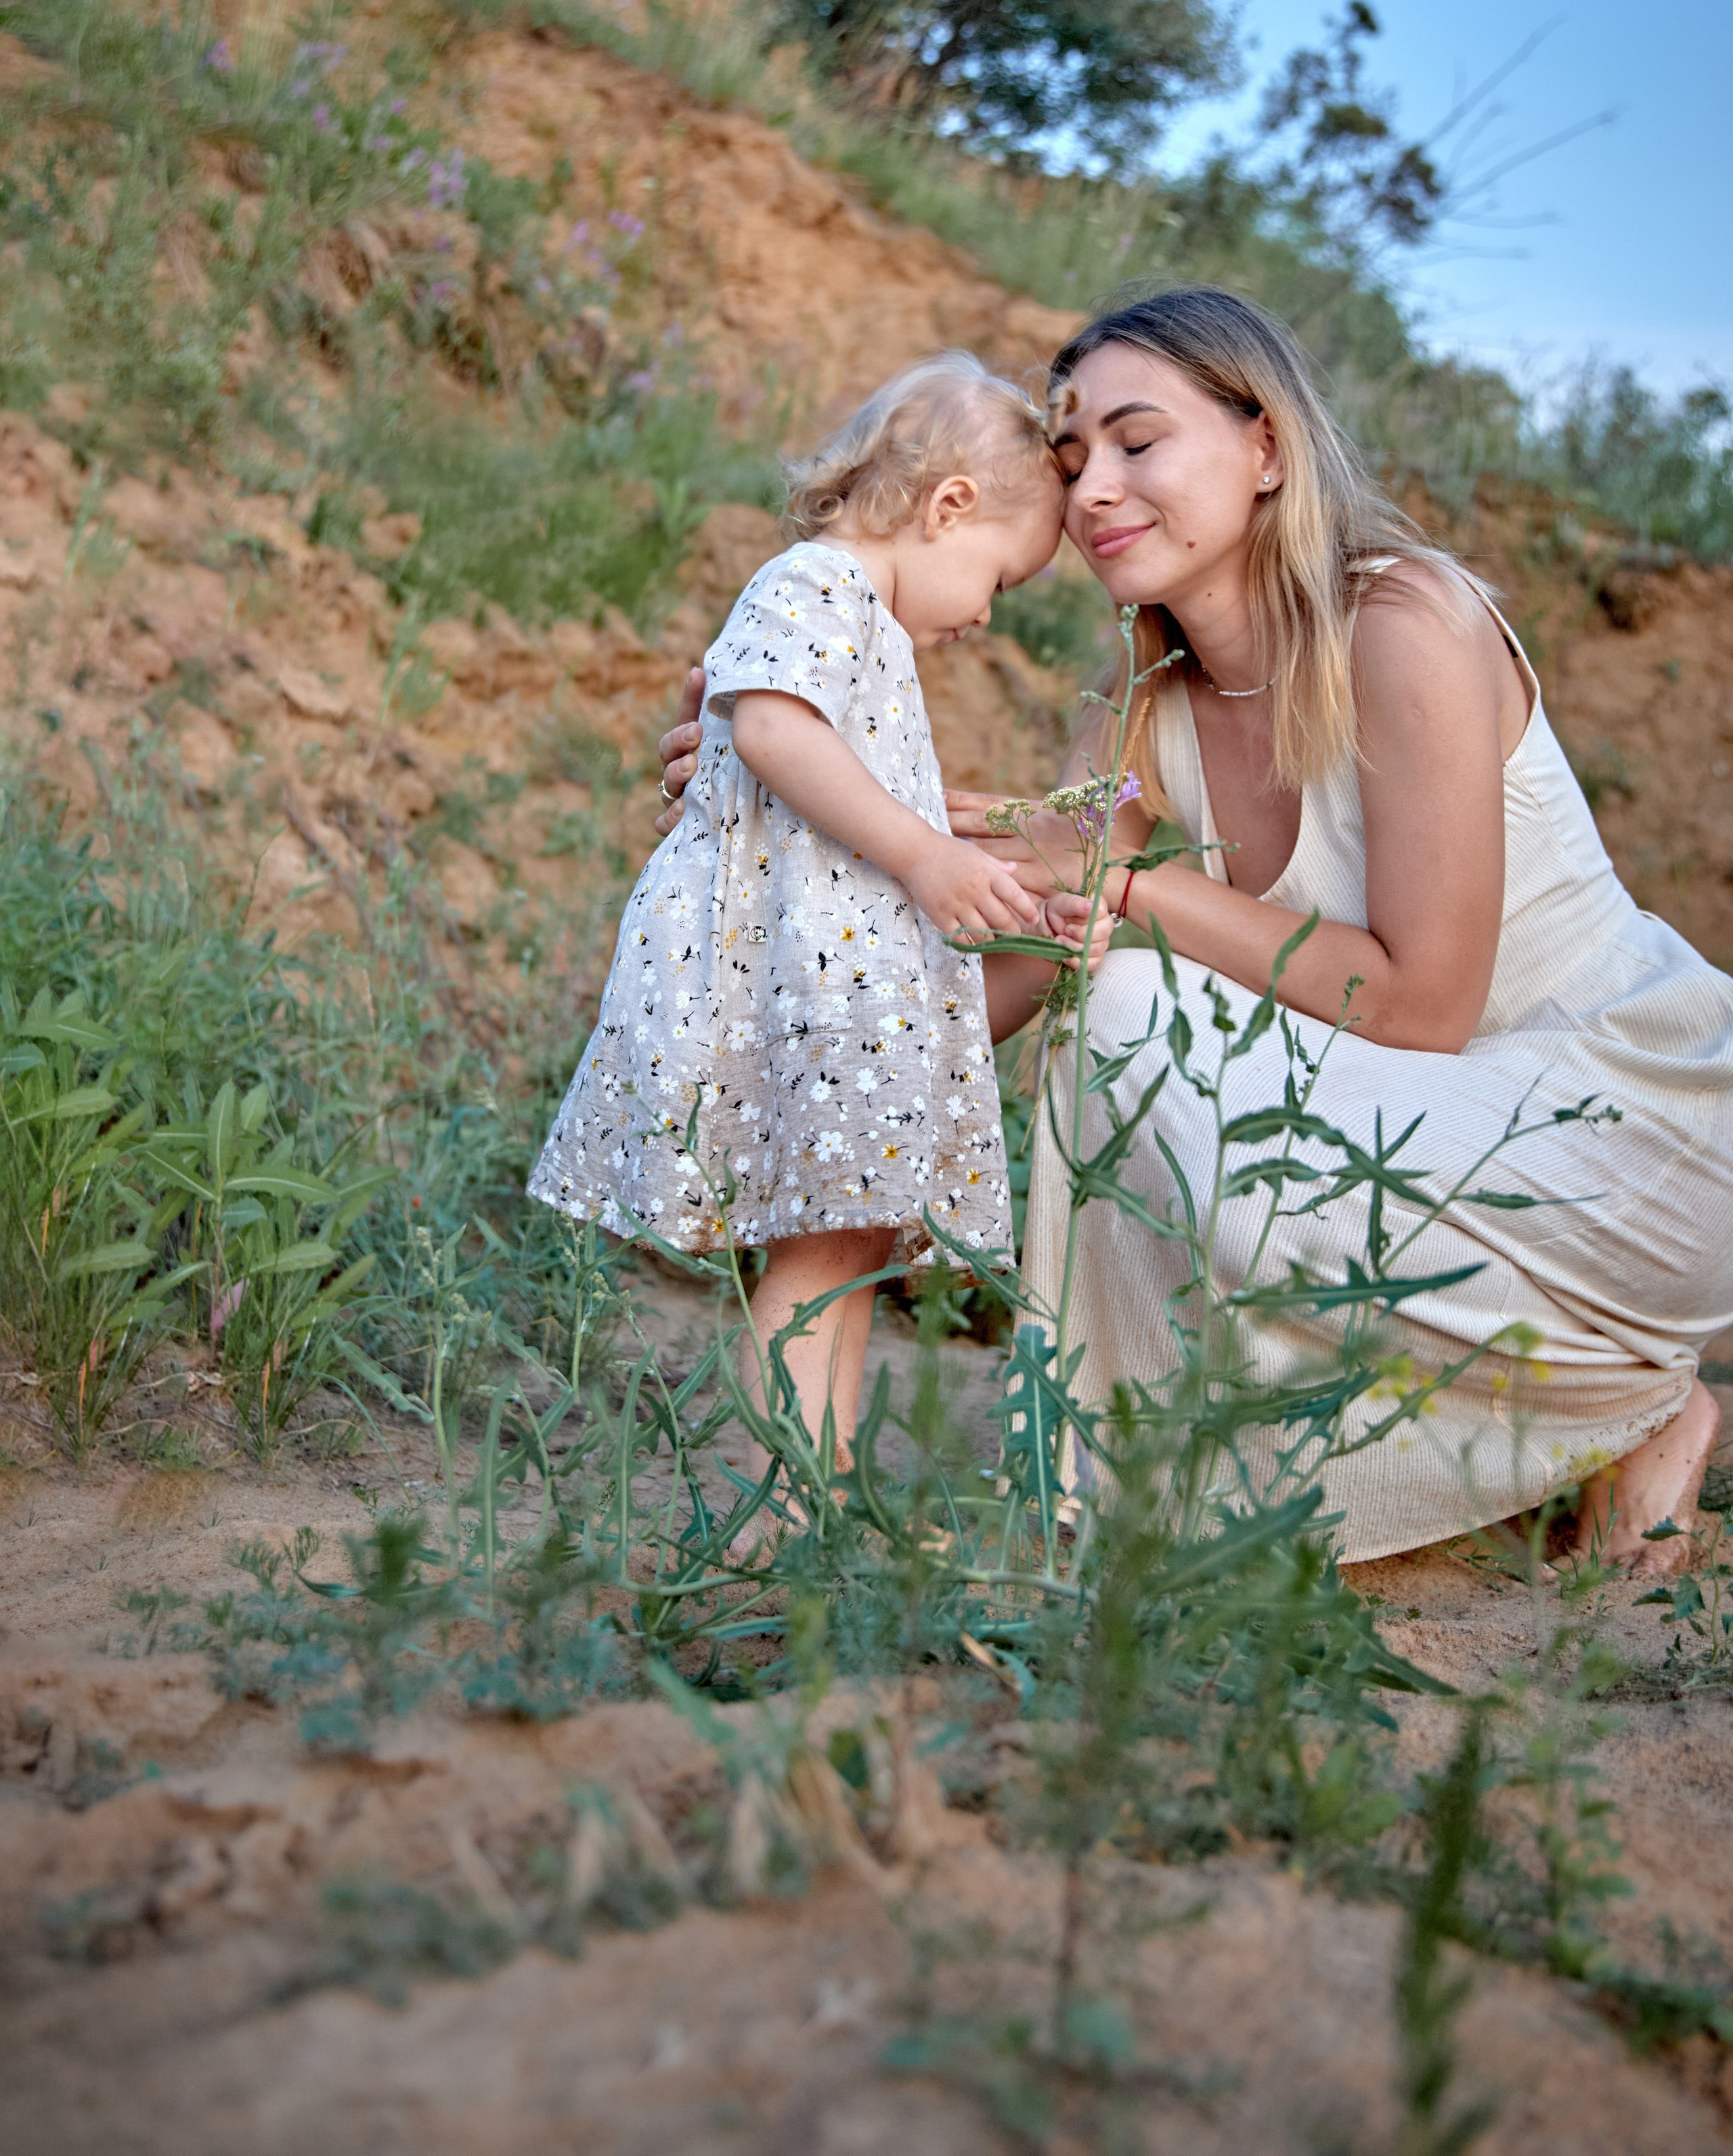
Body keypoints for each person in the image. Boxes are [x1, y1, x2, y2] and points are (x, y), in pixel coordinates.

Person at [659, 291, 1732, 1580]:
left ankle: (1630, 1402)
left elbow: (1422, 1008)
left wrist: (1135, 886)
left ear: (1266, 445)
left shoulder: (1405, 625)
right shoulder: (1147, 694)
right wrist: (788, 811)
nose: (1096, 487)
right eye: (1070, 463)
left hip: (1623, 1124)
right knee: (1105, 993)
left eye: (1137, 441)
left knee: (1131, 990)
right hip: (1431, 1138)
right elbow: (1041, 911)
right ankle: (1204, 1493)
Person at [531, 350, 1099, 1551]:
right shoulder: (815, 585)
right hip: (780, 978)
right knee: (817, 1257)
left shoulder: (864, 626)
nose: (987, 613)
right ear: (948, 507)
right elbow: (777, 730)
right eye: (999, 576)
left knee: (843, 1249)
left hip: (827, 978)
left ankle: (813, 1504)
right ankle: (780, 1515)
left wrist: (970, 866)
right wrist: (927, 855)